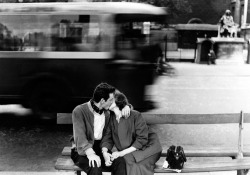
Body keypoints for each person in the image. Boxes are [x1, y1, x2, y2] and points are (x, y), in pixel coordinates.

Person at [70, 82, 131, 175]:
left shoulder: (107, 112)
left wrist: (125, 106)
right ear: (102, 100)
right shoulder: (79, 111)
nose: (112, 102)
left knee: (120, 162)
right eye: (110, 100)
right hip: (82, 150)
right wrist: (90, 154)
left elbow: (107, 135)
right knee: (95, 167)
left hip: (100, 148)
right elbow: (80, 136)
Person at [101, 92, 162, 175]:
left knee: (129, 163)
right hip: (130, 150)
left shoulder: (135, 115)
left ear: (117, 101)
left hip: (148, 148)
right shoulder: (111, 118)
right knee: (120, 161)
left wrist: (121, 153)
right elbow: (107, 138)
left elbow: (142, 139)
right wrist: (105, 153)